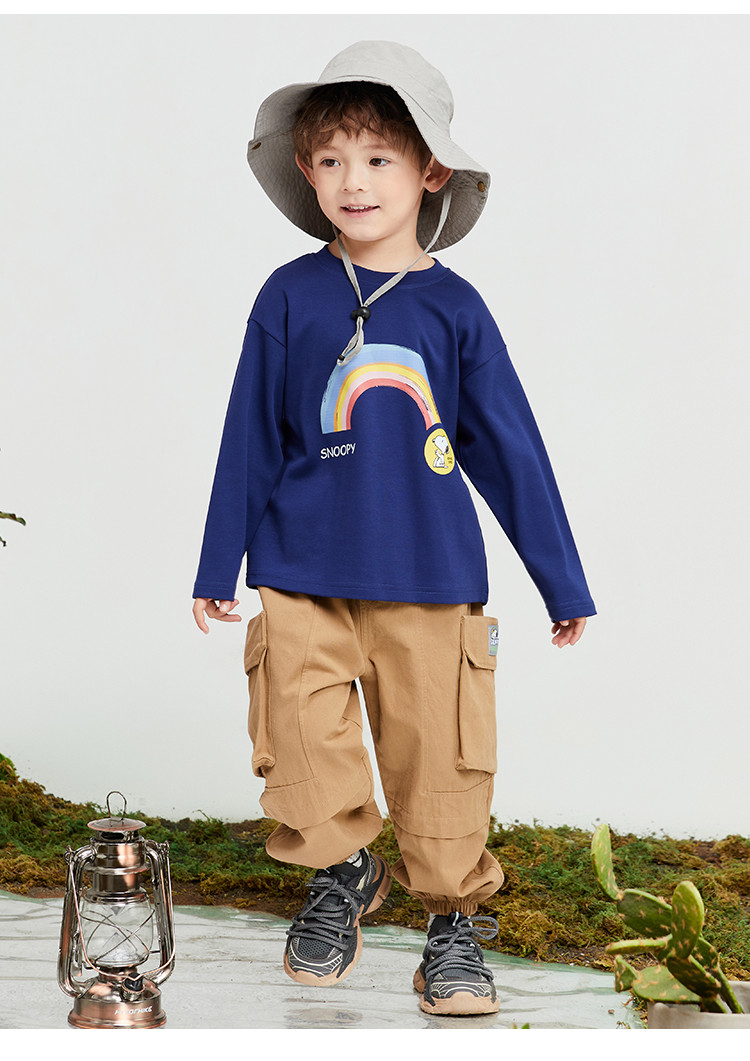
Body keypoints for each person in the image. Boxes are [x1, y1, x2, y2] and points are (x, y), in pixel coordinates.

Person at [192, 40, 595, 1017]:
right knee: (295, 735)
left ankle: (451, 925)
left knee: (440, 762)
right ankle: (345, 868)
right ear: (306, 170)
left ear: (431, 171)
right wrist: (216, 561)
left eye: (378, 158)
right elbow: (248, 433)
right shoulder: (288, 294)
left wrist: (563, 580)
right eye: (331, 160)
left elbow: (511, 450)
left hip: (430, 576)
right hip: (300, 570)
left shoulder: (455, 308)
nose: (354, 181)